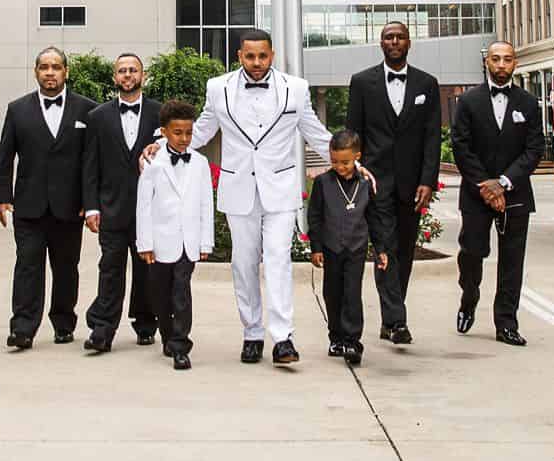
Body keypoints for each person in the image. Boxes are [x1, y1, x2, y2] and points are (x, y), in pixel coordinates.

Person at [169, 28, 330, 365]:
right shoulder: (218, 88)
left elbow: (316, 134)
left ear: (272, 55)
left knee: (278, 259)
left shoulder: (296, 89)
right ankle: (252, 333)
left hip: (280, 190)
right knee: (243, 264)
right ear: (239, 56)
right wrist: (162, 145)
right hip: (238, 188)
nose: (257, 63)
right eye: (250, 56)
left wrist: (353, 161)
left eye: (263, 56)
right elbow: (201, 130)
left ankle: (283, 338)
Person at [0, 46, 97, 349]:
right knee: (27, 266)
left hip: (70, 206)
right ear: (36, 72)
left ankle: (63, 323)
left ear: (66, 72)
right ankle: (22, 328)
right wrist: (2, 196)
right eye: (44, 67)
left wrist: (90, 202)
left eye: (56, 67)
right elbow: (6, 155)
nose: (50, 73)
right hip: (29, 205)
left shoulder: (87, 110)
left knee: (66, 268)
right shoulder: (17, 109)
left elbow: (91, 161)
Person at [345, 21, 440, 347]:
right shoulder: (362, 82)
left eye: (400, 37)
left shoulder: (427, 84)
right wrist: (357, 172)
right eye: (389, 37)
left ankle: (390, 317)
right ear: (381, 43)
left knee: (405, 250)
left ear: (409, 43)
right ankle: (397, 321)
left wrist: (428, 181)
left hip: (413, 185)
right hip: (376, 182)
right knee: (385, 247)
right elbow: (353, 133)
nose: (395, 41)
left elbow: (431, 138)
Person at [449, 41, 545, 345]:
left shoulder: (529, 103)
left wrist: (503, 183)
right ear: (486, 62)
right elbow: (461, 146)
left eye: (507, 59)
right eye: (496, 59)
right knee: (472, 253)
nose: (501, 65)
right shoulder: (468, 101)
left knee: (512, 261)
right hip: (475, 193)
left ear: (515, 63)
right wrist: (486, 185)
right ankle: (469, 296)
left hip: (516, 193)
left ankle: (506, 323)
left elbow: (534, 149)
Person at [82, 53, 162, 353]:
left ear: (143, 75)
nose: (128, 75)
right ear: (115, 77)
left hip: (149, 210)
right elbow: (90, 165)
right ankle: (102, 330)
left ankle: (146, 324)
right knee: (110, 270)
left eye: (133, 70)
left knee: (146, 271)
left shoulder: (159, 113)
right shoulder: (97, 116)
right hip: (111, 208)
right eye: (122, 71)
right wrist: (92, 207)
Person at [134, 100, 213, 372]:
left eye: (189, 133)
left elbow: (206, 203)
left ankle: (180, 346)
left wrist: (205, 241)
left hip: (188, 242)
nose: (184, 138)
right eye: (178, 133)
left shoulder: (200, 163)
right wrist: (144, 242)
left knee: (181, 293)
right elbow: (144, 204)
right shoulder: (152, 161)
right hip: (160, 241)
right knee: (159, 295)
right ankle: (167, 335)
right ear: (164, 132)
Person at [306, 129, 395, 367]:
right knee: (332, 294)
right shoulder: (323, 183)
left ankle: (352, 341)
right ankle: (336, 337)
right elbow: (315, 217)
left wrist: (381, 249)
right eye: (334, 161)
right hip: (331, 248)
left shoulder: (365, 184)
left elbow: (374, 217)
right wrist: (316, 247)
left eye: (345, 162)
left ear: (357, 156)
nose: (340, 167)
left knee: (352, 294)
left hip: (356, 248)